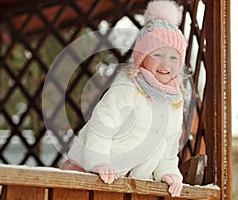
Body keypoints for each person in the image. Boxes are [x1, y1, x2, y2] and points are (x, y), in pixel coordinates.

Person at [61, 0, 188, 197]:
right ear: (142, 57)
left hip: (128, 183)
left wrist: (168, 172)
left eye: (173, 57)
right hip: (88, 171)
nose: (166, 63)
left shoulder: (174, 101)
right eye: (158, 54)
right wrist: (99, 161)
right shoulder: (128, 89)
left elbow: (168, 146)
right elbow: (101, 125)